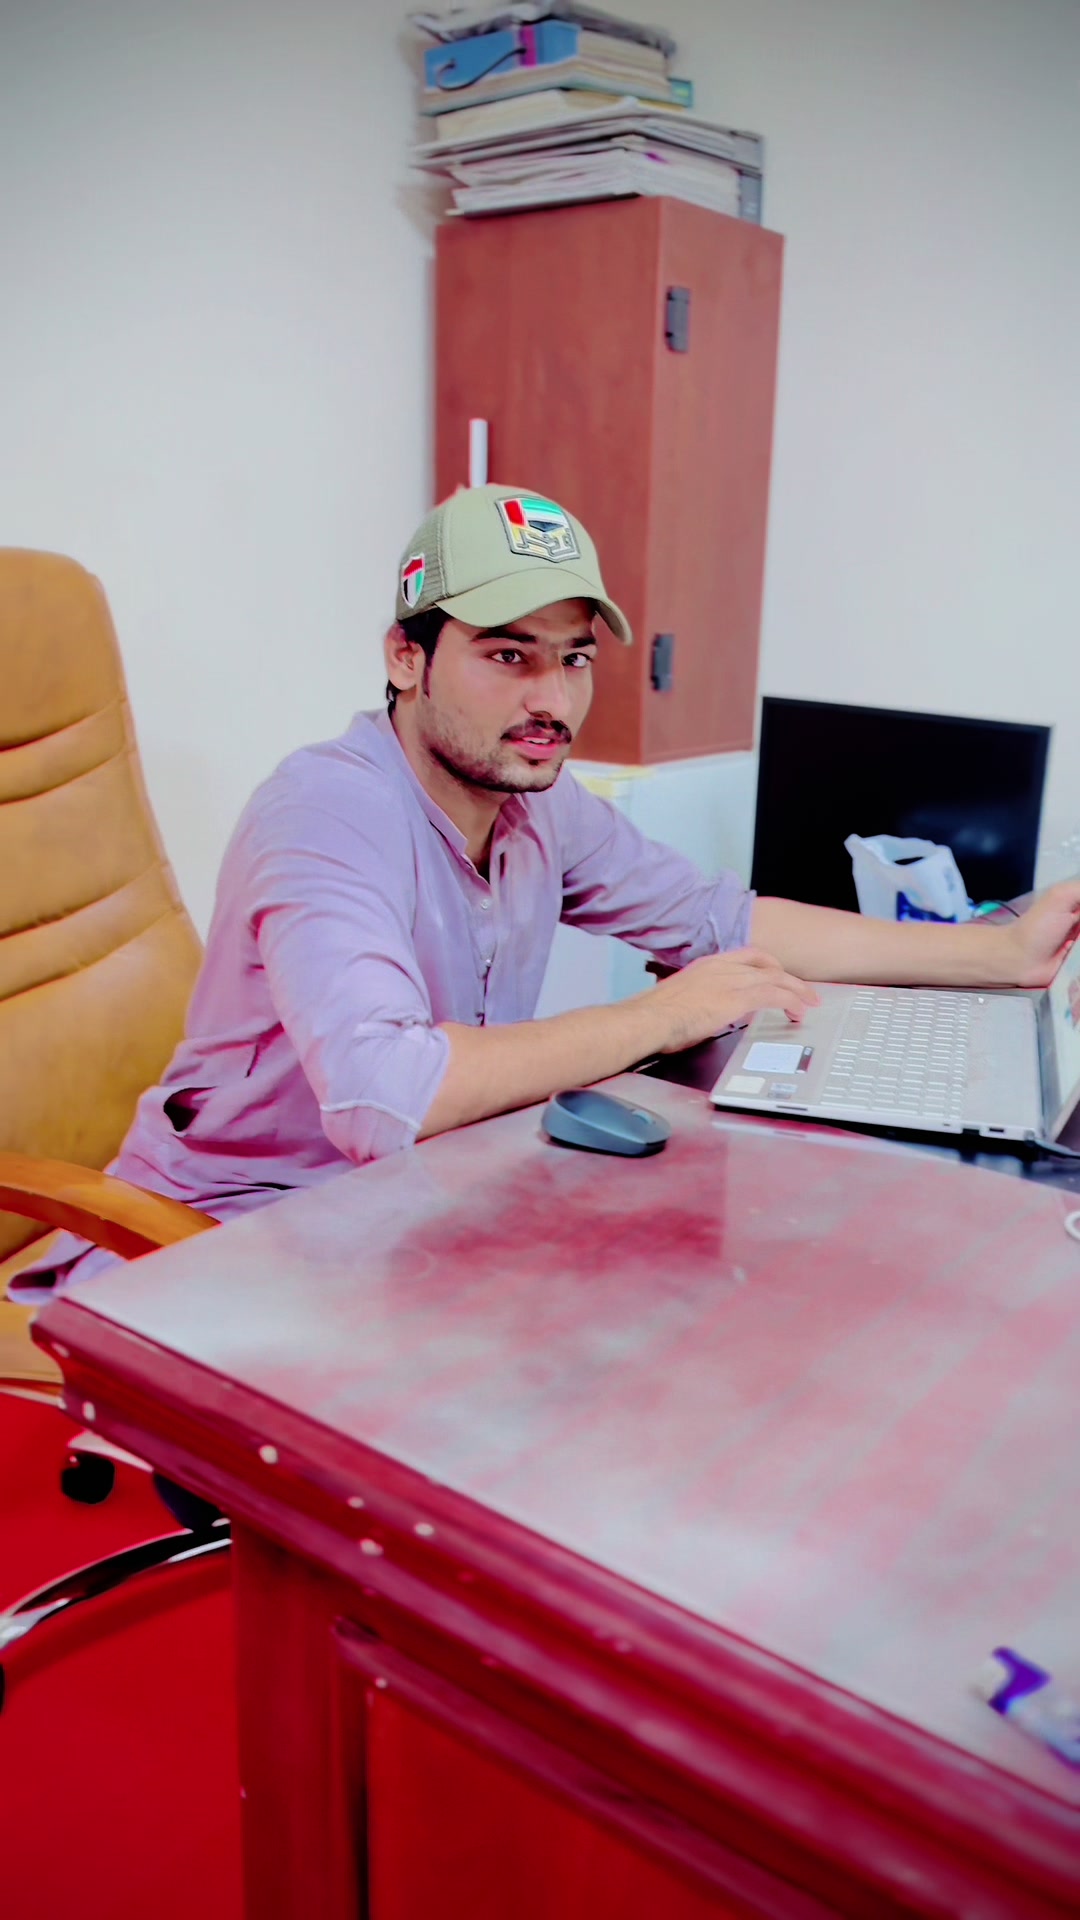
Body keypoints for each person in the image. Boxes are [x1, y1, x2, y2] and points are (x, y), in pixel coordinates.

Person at [13, 483, 1080, 1298]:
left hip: (403, 1211)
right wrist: (661, 1014)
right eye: (508, 655)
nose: (553, 702)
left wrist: (1001, 953)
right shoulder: (325, 811)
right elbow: (386, 1093)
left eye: (573, 659)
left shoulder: (539, 802)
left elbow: (719, 918)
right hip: (223, 1239)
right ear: (405, 657)